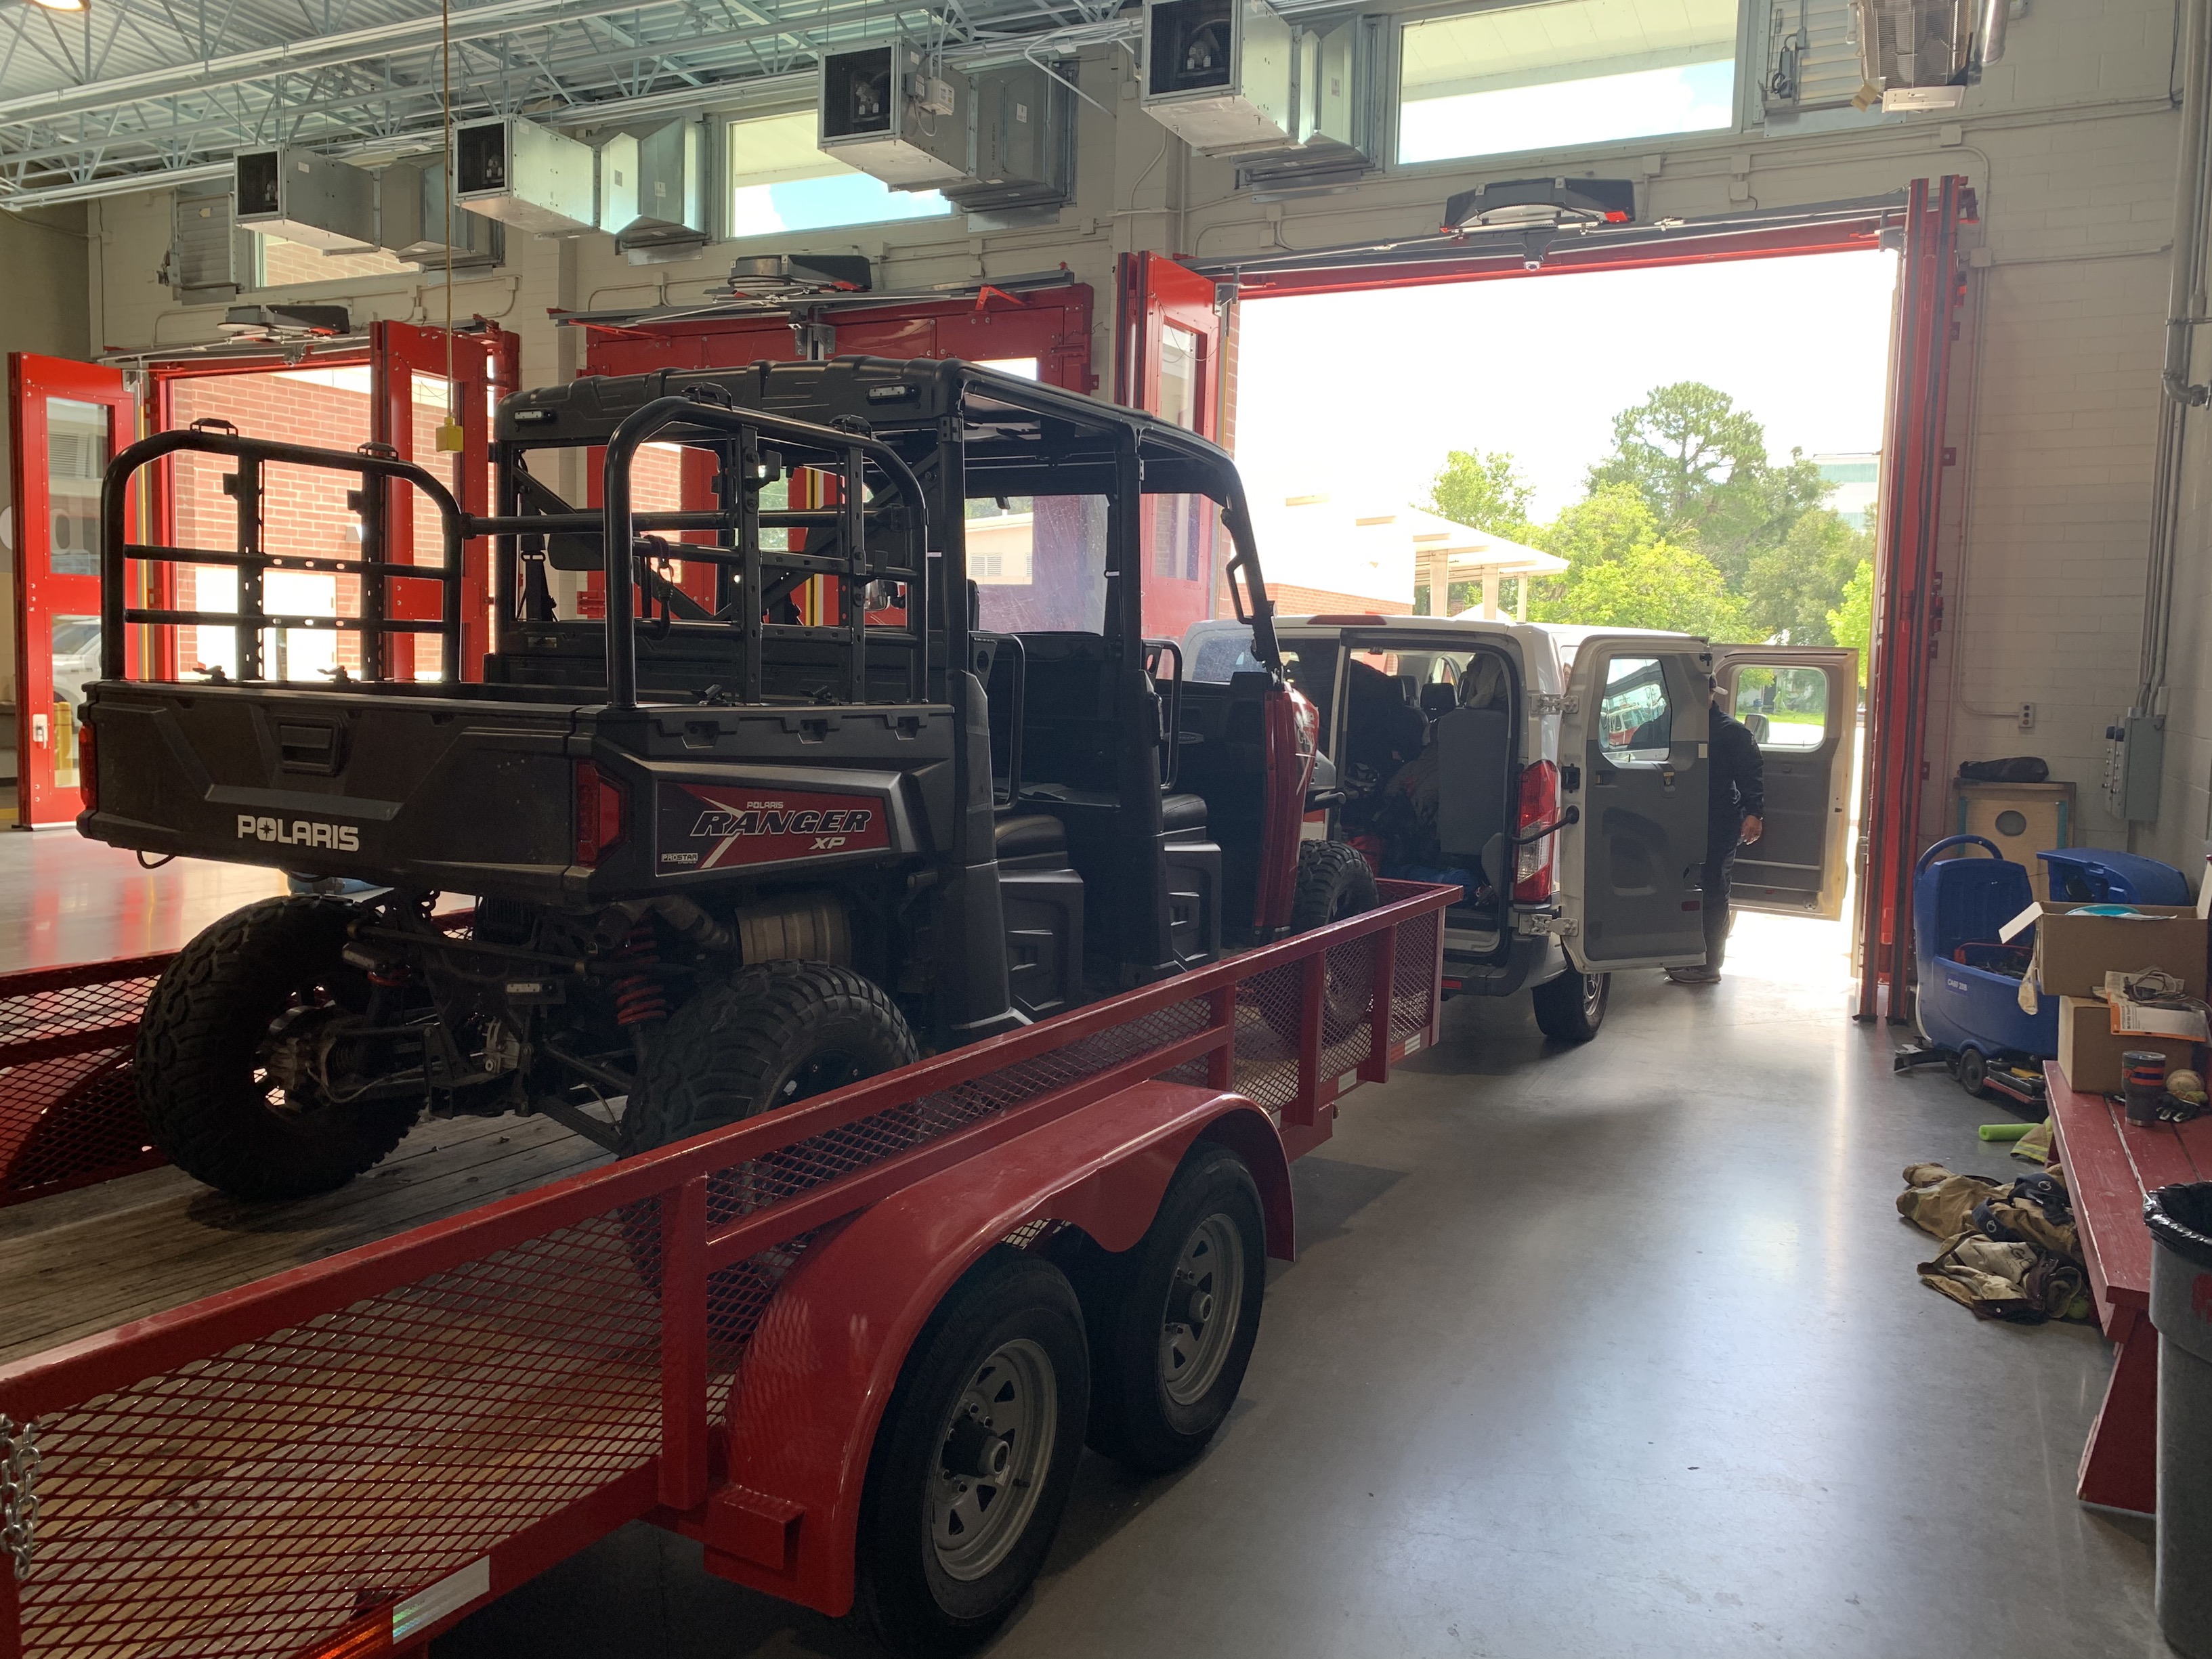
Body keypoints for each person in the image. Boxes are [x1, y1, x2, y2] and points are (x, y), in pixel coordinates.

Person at [1667, 679, 1764, 985]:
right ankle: (1676, 953)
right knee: (1674, 886)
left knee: (1713, 889)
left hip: (1719, 821)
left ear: (1711, 693)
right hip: (1676, 819)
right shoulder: (1669, 727)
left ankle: (1709, 966)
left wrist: (1754, 813)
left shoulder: (1732, 732)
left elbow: (1750, 774)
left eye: (1707, 692)